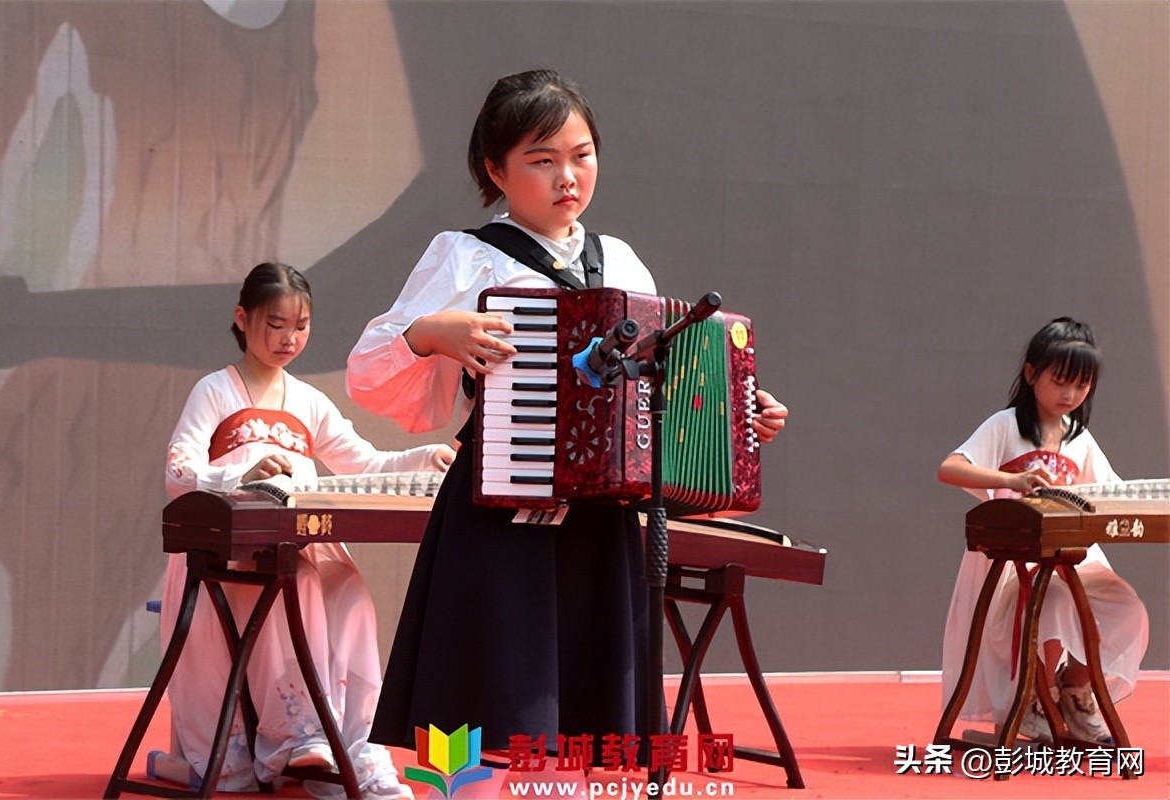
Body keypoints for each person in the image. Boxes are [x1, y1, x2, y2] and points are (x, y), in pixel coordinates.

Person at [345, 68, 788, 789]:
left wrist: (743, 411)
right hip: (498, 507)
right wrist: (431, 332)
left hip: (599, 516)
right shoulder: (464, 255)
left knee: (590, 709)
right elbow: (367, 369)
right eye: (541, 159)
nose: (567, 176)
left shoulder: (619, 261)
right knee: (490, 696)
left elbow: (665, 378)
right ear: (496, 169)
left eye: (581, 156)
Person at [162, 261, 455, 799]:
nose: (289, 338)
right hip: (232, 551)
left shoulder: (308, 400)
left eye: (301, 326)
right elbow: (178, 471)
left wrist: (423, 457)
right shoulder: (215, 390)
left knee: (350, 593)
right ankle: (298, 732)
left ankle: (353, 739)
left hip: (302, 539)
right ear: (242, 319)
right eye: (276, 324)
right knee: (292, 583)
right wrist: (238, 474)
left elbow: (363, 463)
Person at [936, 317, 1148, 745]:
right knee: (1051, 602)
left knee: (1128, 611)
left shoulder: (1078, 437)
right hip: (1013, 558)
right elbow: (949, 468)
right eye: (1060, 381)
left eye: (1082, 385)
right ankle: (1035, 698)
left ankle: (1072, 690)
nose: (1070, 395)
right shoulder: (1006, 425)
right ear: (1031, 374)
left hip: (1071, 555)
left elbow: (1112, 490)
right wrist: (1012, 481)